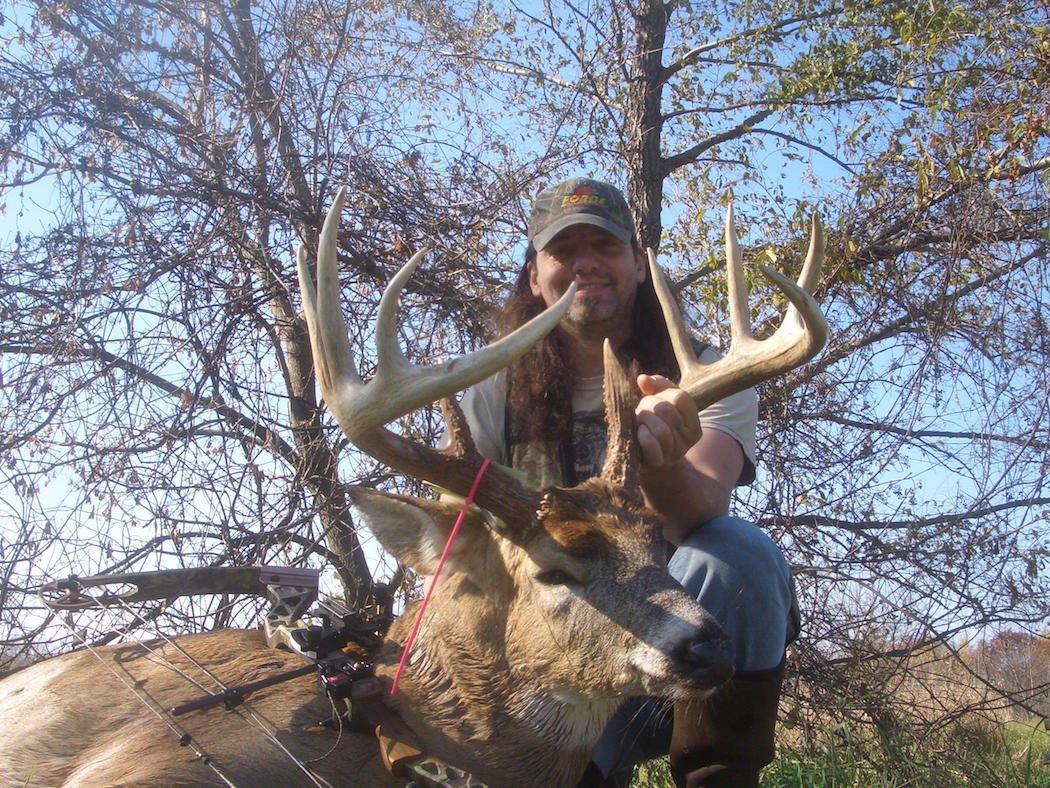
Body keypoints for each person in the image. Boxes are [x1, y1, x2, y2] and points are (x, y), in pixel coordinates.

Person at [454, 177, 797, 787]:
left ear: (638, 264)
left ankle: (714, 774)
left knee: (739, 554)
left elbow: (707, 508)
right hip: (551, 663)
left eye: (605, 247)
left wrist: (663, 464)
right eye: (564, 251)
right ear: (535, 275)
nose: (586, 264)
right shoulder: (492, 392)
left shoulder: (712, 373)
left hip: (676, 648)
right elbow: (465, 544)